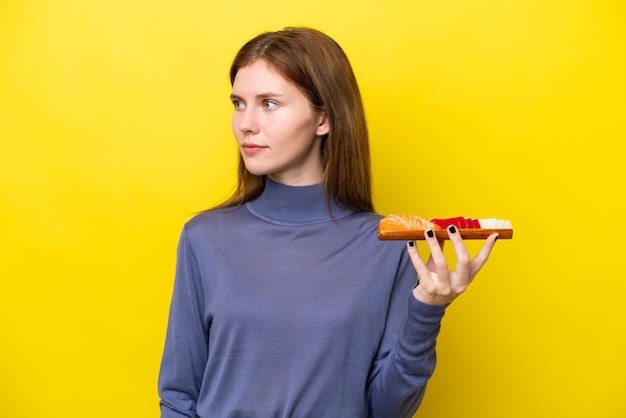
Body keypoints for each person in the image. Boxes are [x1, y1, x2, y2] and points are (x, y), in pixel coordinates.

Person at [158, 27, 498, 418]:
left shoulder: (387, 245)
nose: (246, 124)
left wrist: (428, 307)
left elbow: (387, 409)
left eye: (269, 103)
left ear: (324, 118)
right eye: (238, 103)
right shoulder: (204, 239)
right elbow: (179, 397)